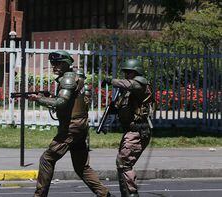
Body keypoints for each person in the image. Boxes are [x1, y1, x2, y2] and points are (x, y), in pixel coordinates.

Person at [28, 50, 112, 197]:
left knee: (47, 159)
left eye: (59, 63)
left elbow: (61, 102)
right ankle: (104, 194)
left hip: (71, 128)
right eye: (53, 63)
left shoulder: (67, 79)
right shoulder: (77, 78)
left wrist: (38, 99)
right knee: (82, 167)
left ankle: (39, 195)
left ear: (67, 64)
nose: (55, 66)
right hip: (80, 127)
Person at [102, 59, 153, 197]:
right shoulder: (128, 92)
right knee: (122, 164)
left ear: (136, 72)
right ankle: (127, 193)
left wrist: (110, 80)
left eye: (129, 72)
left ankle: (131, 194)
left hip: (138, 131)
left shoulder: (141, 84)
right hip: (130, 131)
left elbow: (130, 84)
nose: (126, 75)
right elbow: (123, 107)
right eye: (125, 72)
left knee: (124, 164)